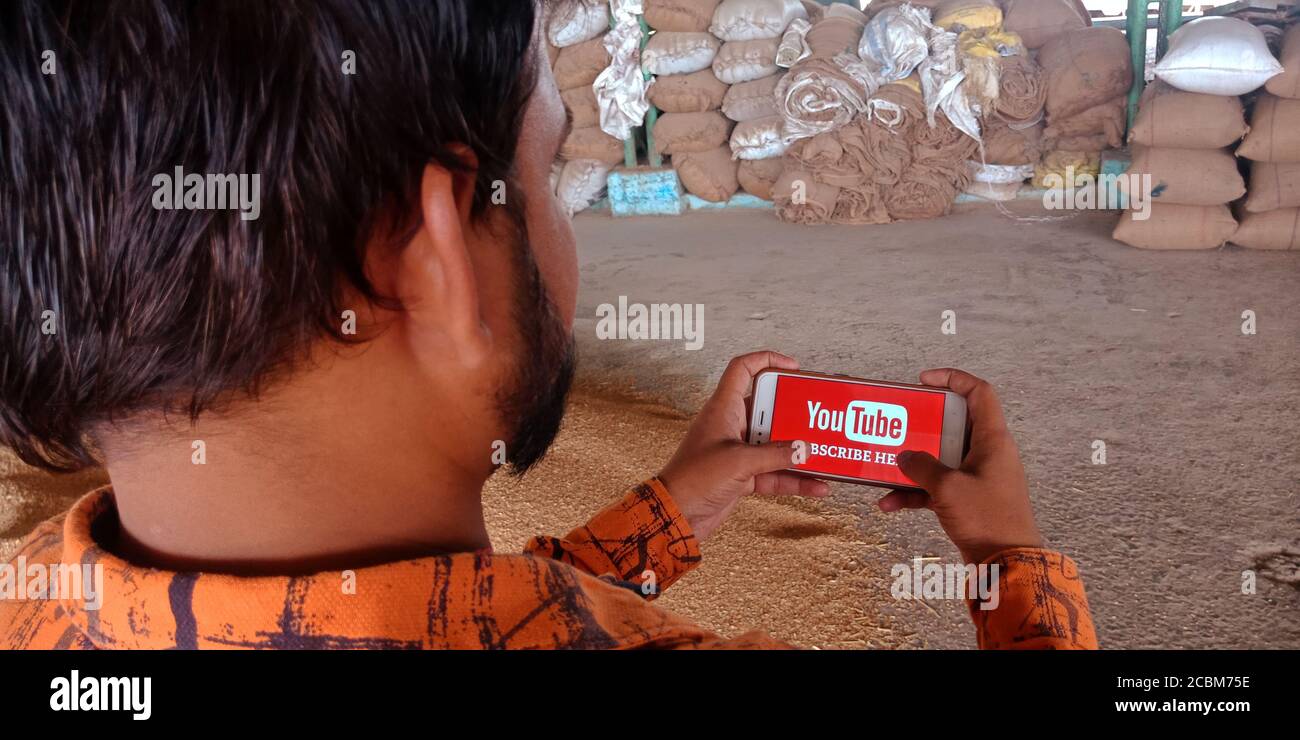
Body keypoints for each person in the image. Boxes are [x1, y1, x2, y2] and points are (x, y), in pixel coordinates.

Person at [0, 0, 1096, 650]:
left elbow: (436, 616)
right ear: (436, 266)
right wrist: (1011, 564)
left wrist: (669, 514)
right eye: (552, 165)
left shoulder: (32, 599)